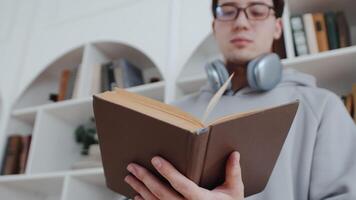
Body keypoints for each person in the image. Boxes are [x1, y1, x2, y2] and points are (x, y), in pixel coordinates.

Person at [123, 0, 356, 199]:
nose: (241, 23)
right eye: (228, 10)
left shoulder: (323, 107)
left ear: (277, 27)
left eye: (257, 10)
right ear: (214, 26)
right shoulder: (171, 114)